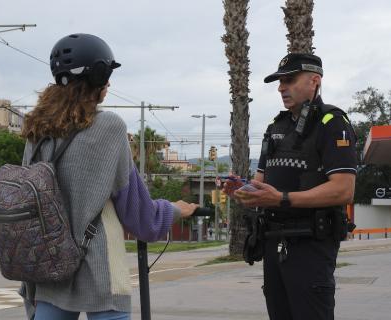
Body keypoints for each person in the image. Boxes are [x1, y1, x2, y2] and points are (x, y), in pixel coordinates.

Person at [19, 33, 198, 320]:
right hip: (97, 268)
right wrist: (176, 209)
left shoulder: (36, 131)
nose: (110, 83)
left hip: (47, 268)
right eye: (108, 74)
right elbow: (139, 214)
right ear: (98, 75)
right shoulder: (108, 127)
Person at [224, 53, 357, 320]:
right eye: (280, 81)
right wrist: (243, 191)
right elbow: (261, 185)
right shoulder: (276, 127)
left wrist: (282, 199)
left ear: (314, 80)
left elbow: (344, 190)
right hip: (273, 242)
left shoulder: (332, 124)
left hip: (311, 245)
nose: (281, 87)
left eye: (290, 80)